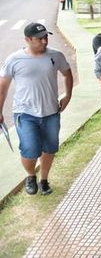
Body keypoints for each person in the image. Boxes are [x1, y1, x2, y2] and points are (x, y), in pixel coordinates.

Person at [0, 23, 73, 195]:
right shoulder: (14, 59)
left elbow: (67, 73)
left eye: (46, 37)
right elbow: (3, 85)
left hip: (51, 113)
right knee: (30, 149)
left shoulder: (56, 55)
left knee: (49, 148)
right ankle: (31, 175)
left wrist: (68, 95)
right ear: (27, 39)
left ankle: (44, 179)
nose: (44, 41)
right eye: (40, 38)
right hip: (25, 114)